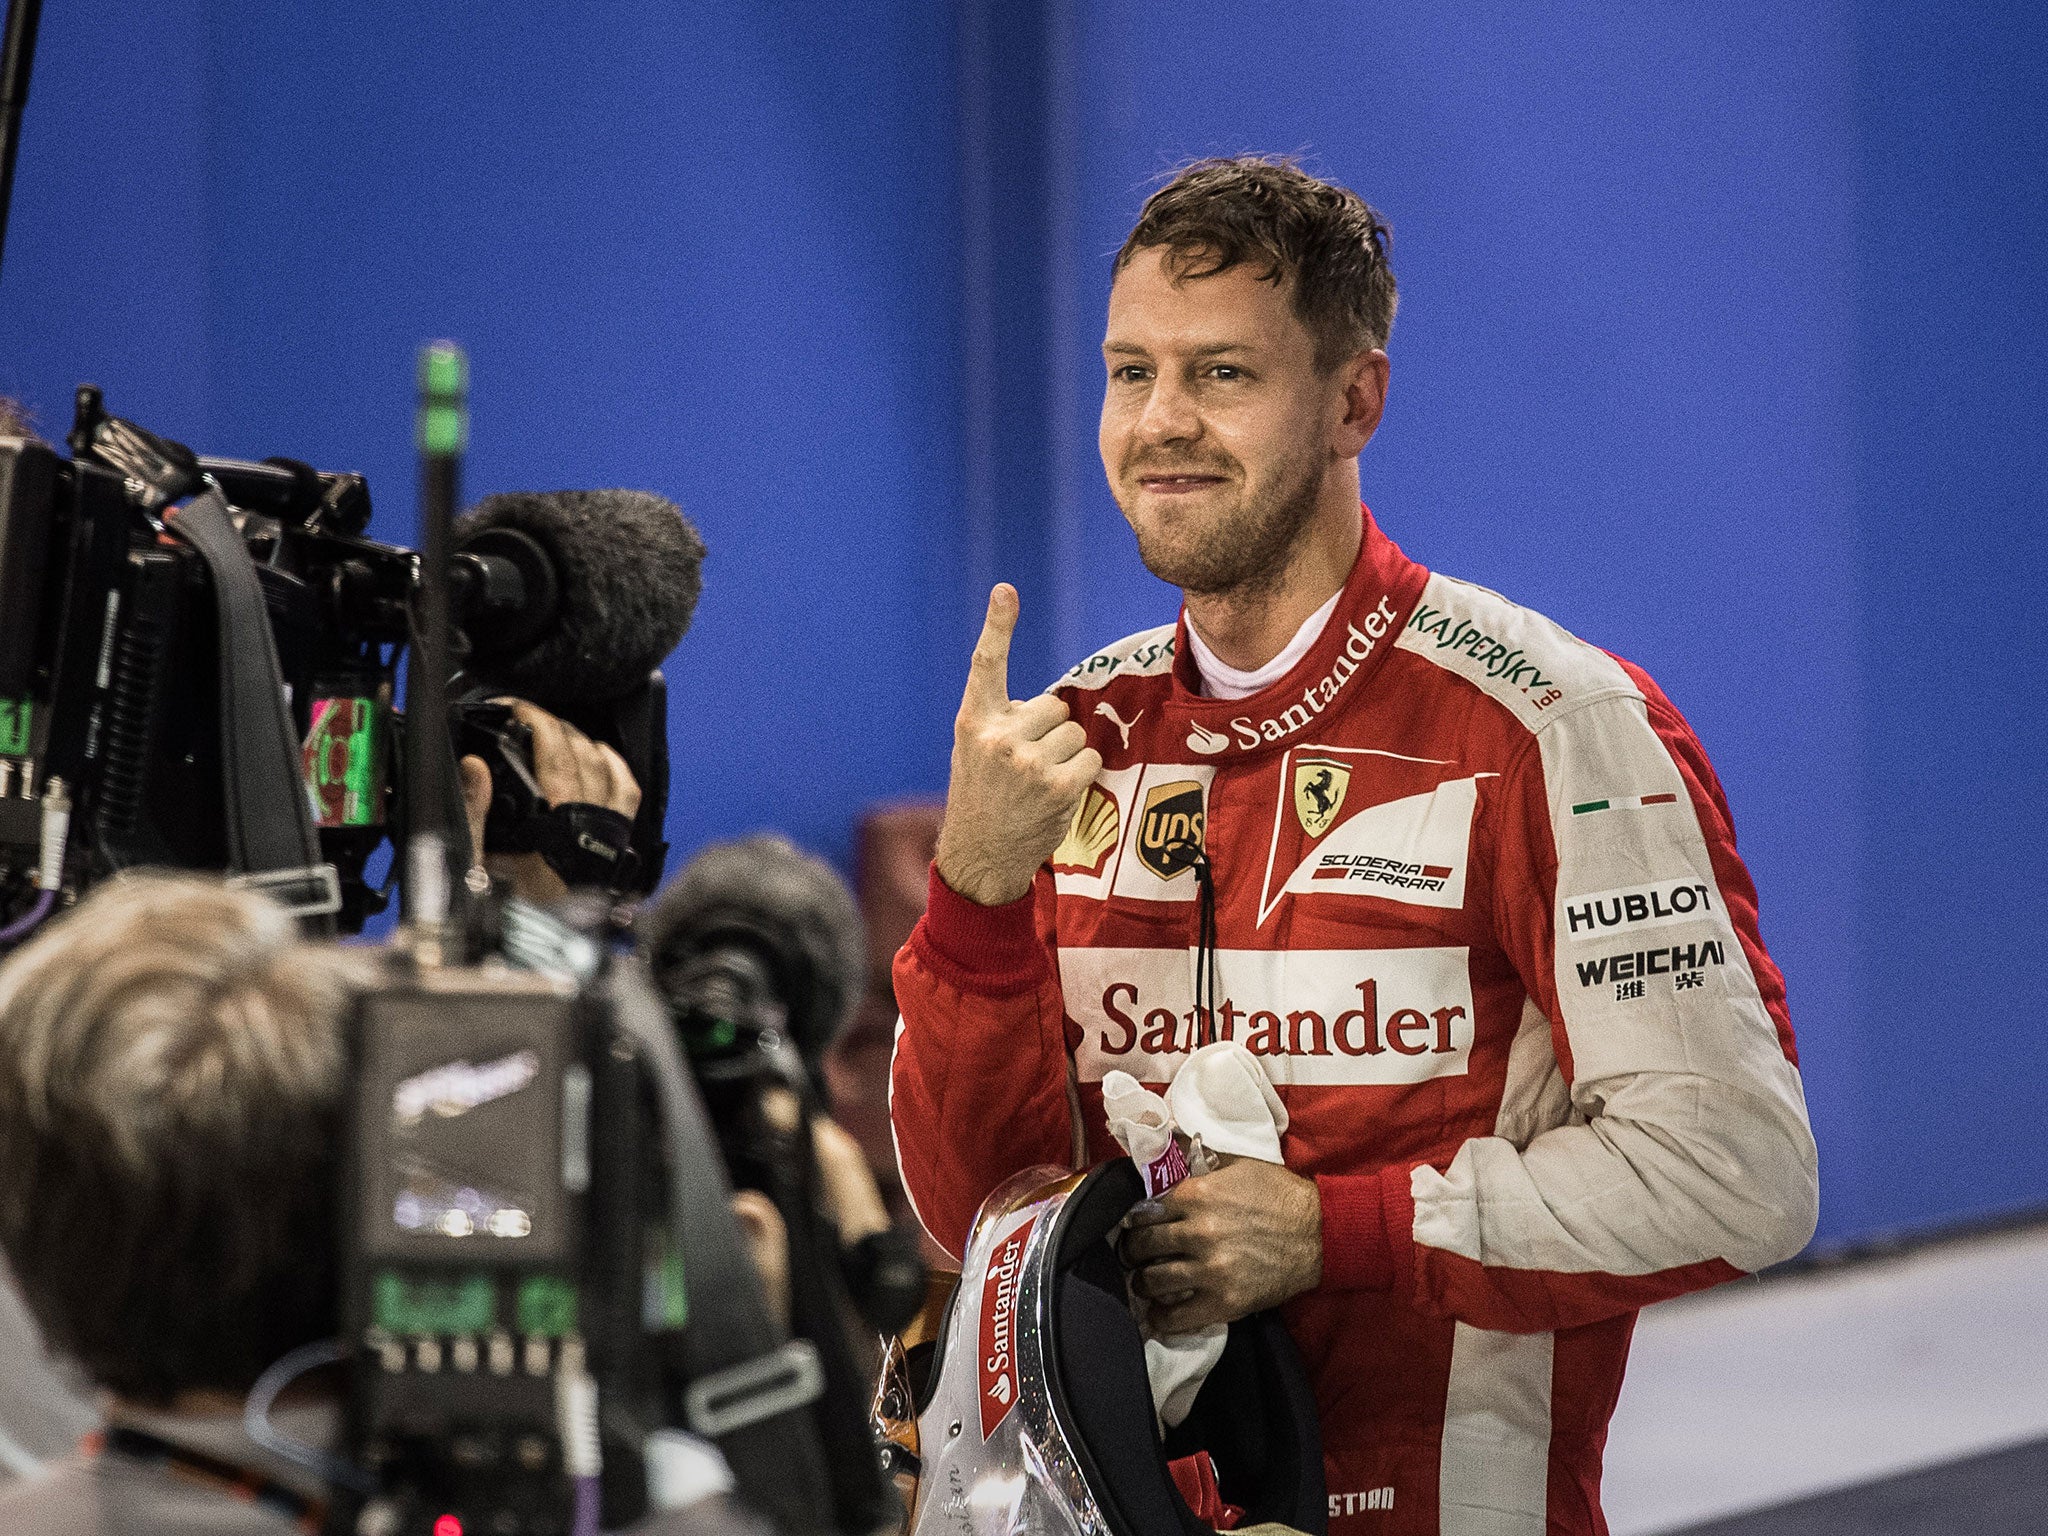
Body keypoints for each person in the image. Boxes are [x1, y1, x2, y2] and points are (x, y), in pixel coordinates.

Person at [889, 157, 1818, 1536]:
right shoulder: (1071, 742)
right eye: (1129, 370)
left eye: (1222, 375)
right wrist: (971, 895)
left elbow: (1740, 1175)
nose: (1160, 424)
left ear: (1354, 400)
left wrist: (1344, 1233)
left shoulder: (1552, 725)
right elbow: (989, 1216)